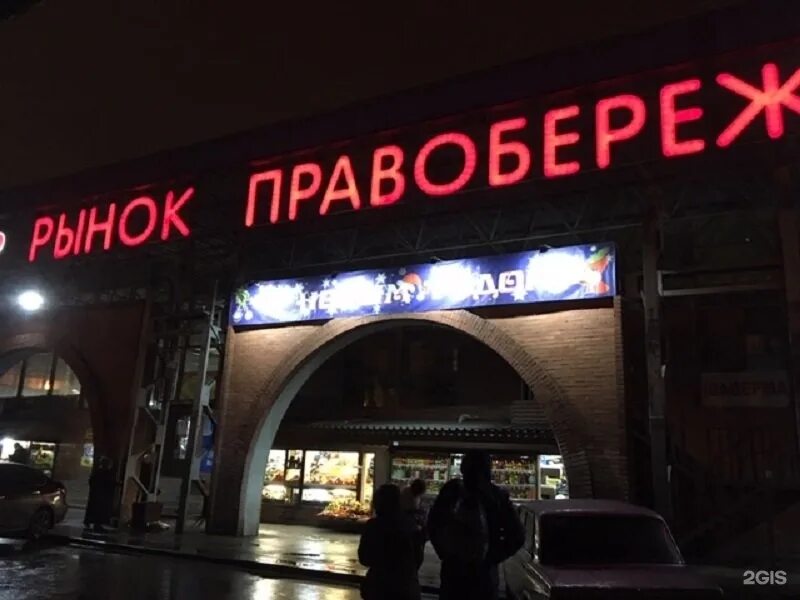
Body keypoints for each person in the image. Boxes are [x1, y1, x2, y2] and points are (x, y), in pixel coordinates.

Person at [427, 450, 525, 600]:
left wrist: (445, 552)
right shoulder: (497, 497)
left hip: (454, 574)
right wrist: (492, 557)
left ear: (463, 469)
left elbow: (433, 524)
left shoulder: (451, 492)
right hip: (483, 578)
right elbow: (517, 536)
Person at [358, 483, 424, 600]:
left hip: (381, 587)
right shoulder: (410, 525)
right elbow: (418, 557)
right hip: (407, 586)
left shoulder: (374, 526)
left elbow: (364, 558)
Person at [84, 456, 116, 533]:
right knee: (100, 510)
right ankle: (97, 524)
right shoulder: (106, 473)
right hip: (101, 495)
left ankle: (89, 522)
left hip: (96, 494)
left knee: (94, 509)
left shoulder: (97, 472)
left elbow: (91, 481)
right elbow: (108, 483)